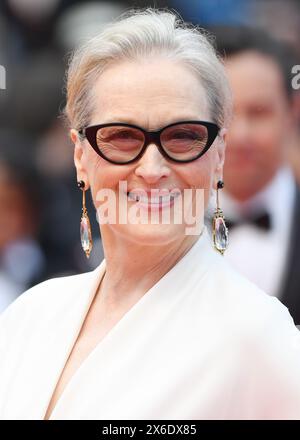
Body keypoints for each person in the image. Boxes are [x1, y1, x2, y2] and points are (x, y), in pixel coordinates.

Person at [1, 8, 300, 420]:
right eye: (122, 137)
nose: (153, 169)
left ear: (218, 155)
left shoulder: (258, 336)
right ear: (80, 155)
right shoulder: (29, 317)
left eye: (182, 136)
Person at [210, 26, 300, 323]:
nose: (239, 136)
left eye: (259, 112)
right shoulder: (159, 225)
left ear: (293, 112)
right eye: (224, 115)